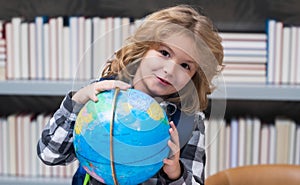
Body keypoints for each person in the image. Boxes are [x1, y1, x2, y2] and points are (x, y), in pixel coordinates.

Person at [37, 4, 224, 185]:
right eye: (164, 53)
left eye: (185, 66)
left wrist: (175, 172)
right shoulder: (101, 96)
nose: (169, 70)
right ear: (143, 48)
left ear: (194, 77)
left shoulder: (189, 121)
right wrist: (78, 99)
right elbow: (49, 155)